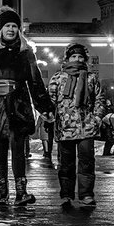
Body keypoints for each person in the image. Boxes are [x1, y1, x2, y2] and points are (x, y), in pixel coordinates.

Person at [0, 6, 54, 208]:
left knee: (18, 150)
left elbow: (35, 81)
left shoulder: (25, 52)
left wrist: (44, 106)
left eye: (14, 26)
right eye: (7, 25)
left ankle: (21, 193)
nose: (11, 29)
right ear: (0, 28)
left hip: (18, 103)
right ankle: (3, 194)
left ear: (19, 29)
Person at [47, 43, 103, 210]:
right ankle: (66, 195)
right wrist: (49, 117)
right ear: (67, 58)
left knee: (87, 163)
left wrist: (97, 118)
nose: (77, 60)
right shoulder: (57, 78)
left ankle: (86, 195)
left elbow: (99, 99)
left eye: (80, 57)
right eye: (74, 57)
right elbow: (51, 101)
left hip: (86, 127)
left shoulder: (92, 78)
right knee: (66, 163)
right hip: (65, 129)